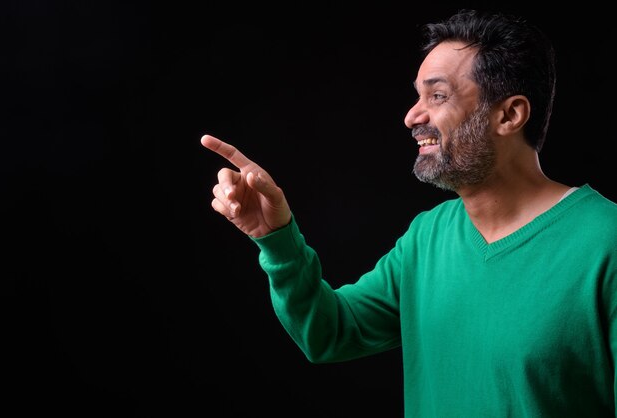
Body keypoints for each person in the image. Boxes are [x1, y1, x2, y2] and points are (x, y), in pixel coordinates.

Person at [201, 9, 617, 417]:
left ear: (509, 115)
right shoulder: (427, 236)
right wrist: (276, 237)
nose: (411, 116)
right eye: (417, 95)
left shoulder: (605, 243)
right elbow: (328, 332)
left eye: (437, 96)